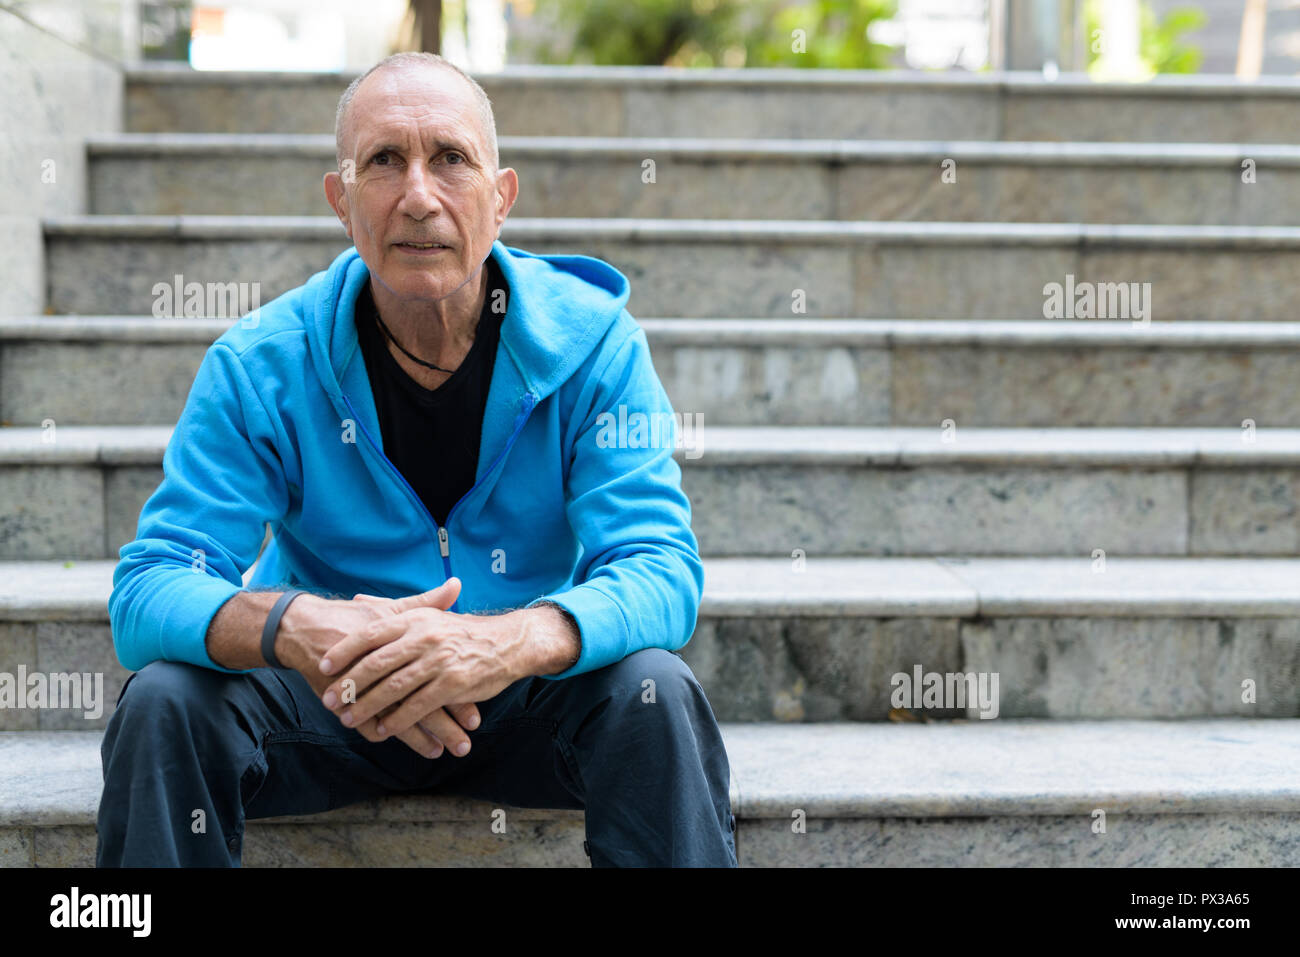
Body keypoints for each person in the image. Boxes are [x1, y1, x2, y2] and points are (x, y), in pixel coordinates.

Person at [96, 52, 736, 868]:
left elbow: (659, 568)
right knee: (162, 700)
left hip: (514, 701)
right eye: (384, 161)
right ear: (342, 201)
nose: (419, 196)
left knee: (657, 690)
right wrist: (304, 627)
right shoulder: (259, 364)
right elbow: (150, 587)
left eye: (451, 159)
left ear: (501, 198)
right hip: (327, 694)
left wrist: (501, 644)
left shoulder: (596, 346)